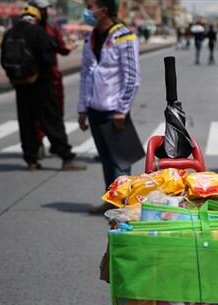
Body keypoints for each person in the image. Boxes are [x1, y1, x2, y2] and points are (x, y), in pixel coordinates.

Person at [2, 5, 86, 172]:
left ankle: (31, 160)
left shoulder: (9, 33)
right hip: (41, 85)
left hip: (20, 85)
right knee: (52, 120)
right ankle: (66, 158)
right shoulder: (38, 32)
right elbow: (48, 59)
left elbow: (4, 61)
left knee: (26, 122)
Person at [77, 0, 140, 214]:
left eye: (90, 6)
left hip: (115, 111)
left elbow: (132, 77)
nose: (86, 10)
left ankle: (125, 205)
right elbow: (85, 75)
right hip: (95, 109)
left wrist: (123, 109)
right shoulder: (91, 37)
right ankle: (111, 201)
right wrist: (82, 109)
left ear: (103, 11)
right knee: (105, 158)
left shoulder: (124, 36)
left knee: (120, 162)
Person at [30, 0, 78, 160]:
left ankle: (40, 146)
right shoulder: (47, 29)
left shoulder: (33, 28)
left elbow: (60, 48)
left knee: (39, 115)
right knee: (52, 115)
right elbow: (62, 48)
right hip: (47, 79)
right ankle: (58, 149)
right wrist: (67, 48)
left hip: (40, 79)